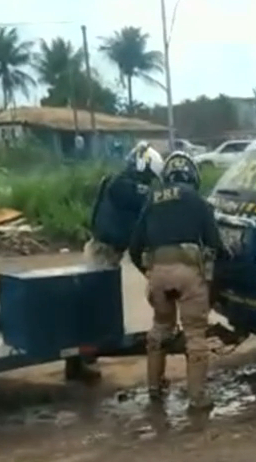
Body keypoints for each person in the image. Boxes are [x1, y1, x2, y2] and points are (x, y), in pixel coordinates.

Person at [128, 151, 226, 410]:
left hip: (159, 274)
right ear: (193, 175)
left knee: (160, 330)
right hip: (188, 273)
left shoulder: (151, 200)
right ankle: (197, 398)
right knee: (195, 334)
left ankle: (155, 388)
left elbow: (134, 247)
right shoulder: (197, 200)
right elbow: (215, 244)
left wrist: (149, 273)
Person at [67, 141, 163, 381]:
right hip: (103, 250)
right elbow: (142, 199)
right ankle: (82, 361)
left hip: (108, 250)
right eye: (150, 175)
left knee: (95, 304)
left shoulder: (122, 183)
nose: (150, 181)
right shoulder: (122, 185)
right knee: (94, 307)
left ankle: (81, 361)